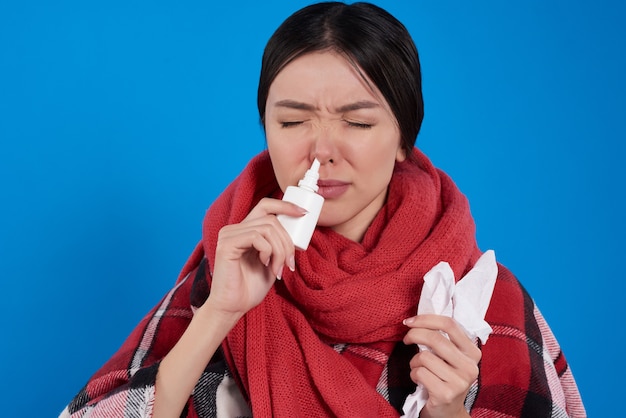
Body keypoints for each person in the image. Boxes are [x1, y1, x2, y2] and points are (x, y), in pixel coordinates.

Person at [60, 2, 585, 417]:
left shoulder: (480, 298)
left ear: (404, 137)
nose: (321, 151)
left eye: (357, 124)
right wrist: (218, 315)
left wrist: (447, 412)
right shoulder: (227, 267)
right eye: (292, 123)